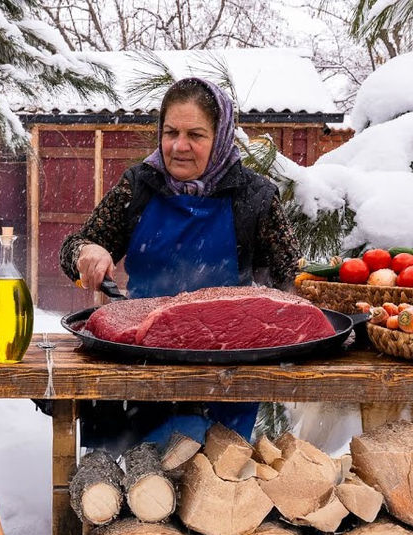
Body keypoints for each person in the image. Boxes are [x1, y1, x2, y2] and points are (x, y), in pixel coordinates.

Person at [58, 77, 301, 449]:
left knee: (212, 486)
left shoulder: (254, 196)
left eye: (196, 135)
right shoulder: (139, 185)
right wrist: (87, 252)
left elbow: (291, 282)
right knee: (120, 490)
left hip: (224, 371)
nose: (179, 146)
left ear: (220, 137)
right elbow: (73, 248)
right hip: (140, 361)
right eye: (170, 131)